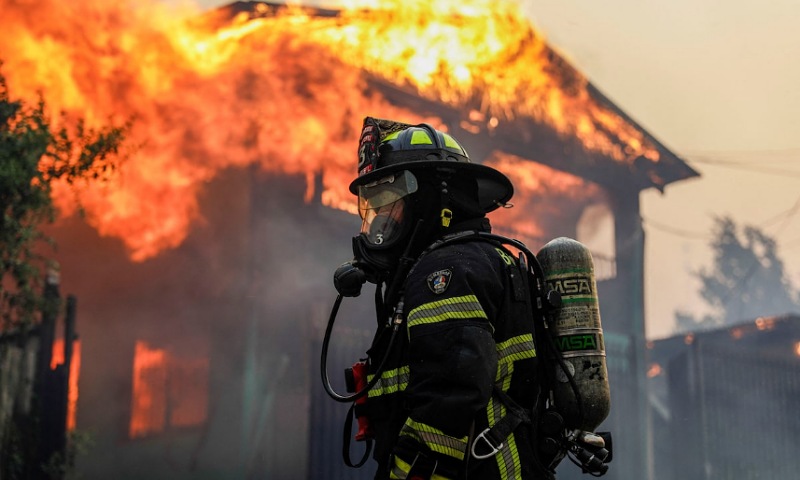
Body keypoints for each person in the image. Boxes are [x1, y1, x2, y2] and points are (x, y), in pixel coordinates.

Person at [332, 116, 605, 480]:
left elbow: (447, 406)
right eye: (374, 208)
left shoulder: (444, 273)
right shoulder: (489, 261)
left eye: (389, 203)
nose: (381, 222)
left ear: (429, 198)